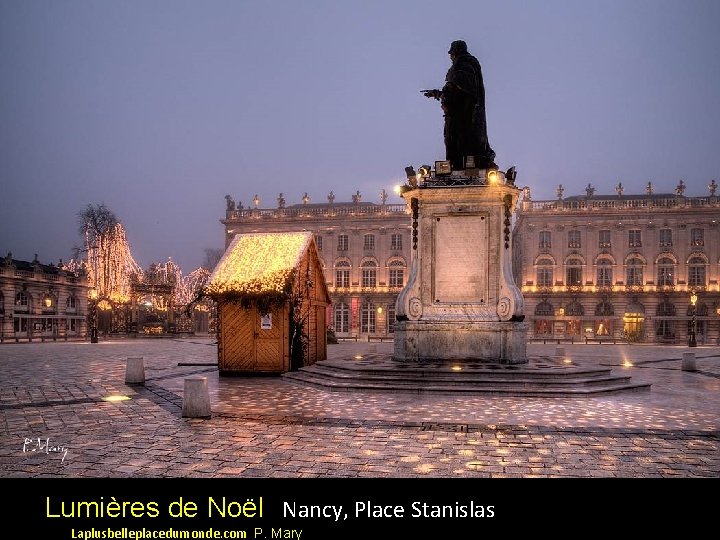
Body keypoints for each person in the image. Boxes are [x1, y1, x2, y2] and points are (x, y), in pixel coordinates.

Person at [424, 40, 497, 171]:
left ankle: (459, 166)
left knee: (459, 142)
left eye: (451, 53)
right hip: (459, 115)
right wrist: (438, 94)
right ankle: (457, 166)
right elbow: (456, 92)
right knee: (456, 142)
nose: (450, 57)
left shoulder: (463, 66)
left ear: (456, 52)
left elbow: (459, 91)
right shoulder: (466, 66)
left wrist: (443, 93)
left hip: (463, 117)